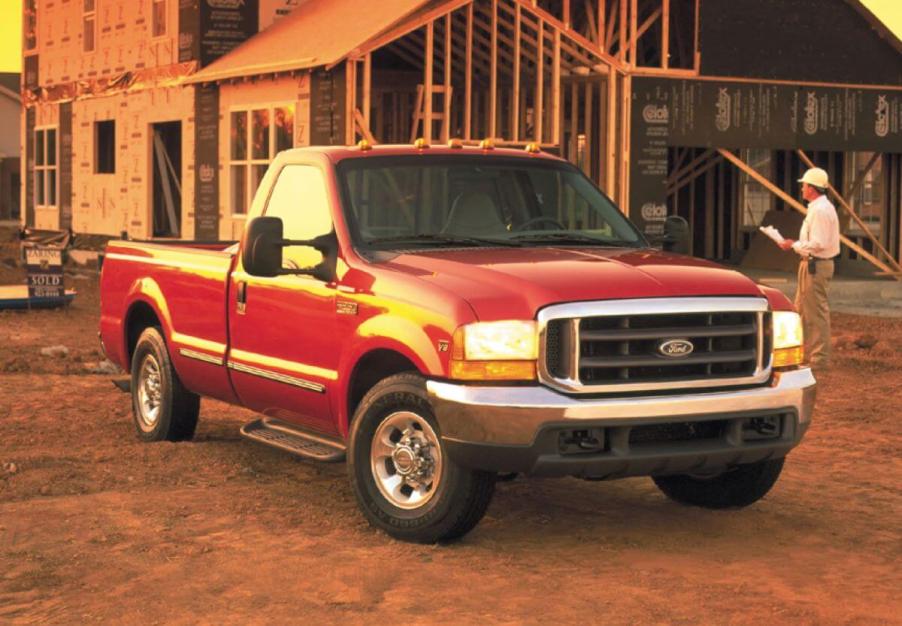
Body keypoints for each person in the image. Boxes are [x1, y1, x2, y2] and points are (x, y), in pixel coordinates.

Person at [778, 167, 840, 369]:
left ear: (812, 188)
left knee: (816, 312)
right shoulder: (818, 208)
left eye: (804, 185)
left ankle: (820, 359)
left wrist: (793, 245)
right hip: (810, 264)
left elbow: (819, 243)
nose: (802, 188)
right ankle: (802, 352)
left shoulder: (821, 211)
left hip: (816, 264)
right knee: (802, 310)